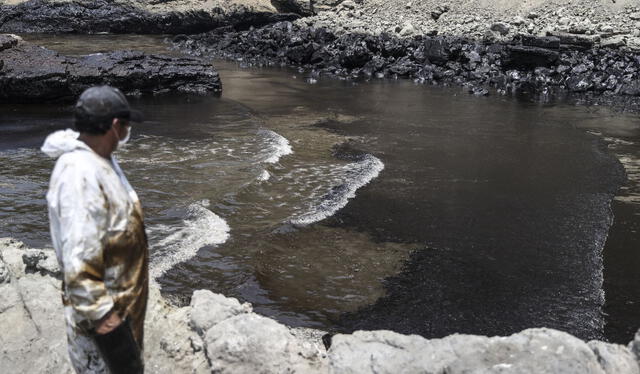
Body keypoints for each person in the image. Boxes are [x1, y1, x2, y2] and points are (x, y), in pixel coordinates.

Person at [42, 85, 148, 374]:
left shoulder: (99, 159)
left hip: (119, 312)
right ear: (115, 126)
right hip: (102, 328)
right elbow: (79, 262)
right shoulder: (80, 175)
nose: (127, 133)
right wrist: (110, 326)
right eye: (126, 125)